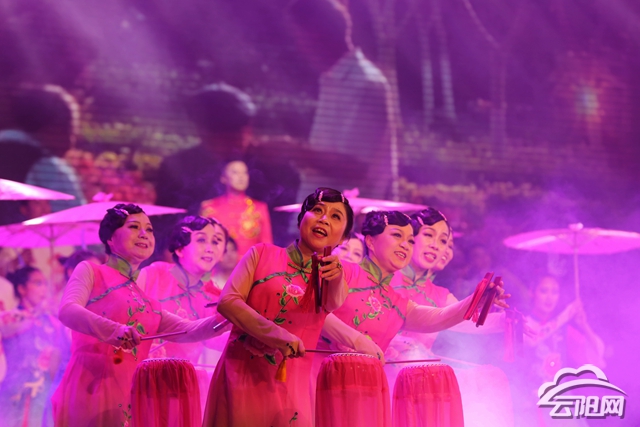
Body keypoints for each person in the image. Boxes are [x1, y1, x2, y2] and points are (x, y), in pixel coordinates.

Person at [51, 203, 229, 427]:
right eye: (134, 227)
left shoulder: (147, 302)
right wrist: (115, 331)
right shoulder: (91, 271)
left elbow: (190, 330)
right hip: (91, 388)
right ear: (110, 238)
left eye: (149, 229)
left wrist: (230, 316)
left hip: (132, 395)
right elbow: (68, 310)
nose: (144, 233)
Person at [202, 187, 354, 427]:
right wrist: (277, 335)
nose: (324, 219)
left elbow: (333, 303)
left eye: (336, 216)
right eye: (317, 210)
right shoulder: (261, 254)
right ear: (301, 219)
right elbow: (228, 301)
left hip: (291, 386)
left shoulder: (331, 277)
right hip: (241, 376)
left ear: (344, 238)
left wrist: (335, 277)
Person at [318, 210, 509, 360]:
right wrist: (357, 340)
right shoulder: (343, 271)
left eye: (409, 240)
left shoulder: (396, 301)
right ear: (370, 241)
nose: (405, 245)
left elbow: (441, 317)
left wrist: (479, 300)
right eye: (397, 235)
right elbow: (313, 310)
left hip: (375, 384)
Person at [511, 275, 605, 427]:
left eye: (555, 292)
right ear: (532, 292)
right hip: (530, 404)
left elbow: (597, 354)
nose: (550, 297)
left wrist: (584, 325)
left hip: (560, 403)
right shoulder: (521, 322)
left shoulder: (562, 330)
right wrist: (566, 314)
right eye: (544, 291)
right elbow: (532, 339)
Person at [139, 215, 229, 363]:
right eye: (201, 240)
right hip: (140, 368)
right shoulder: (154, 274)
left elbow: (217, 340)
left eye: (215, 242)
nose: (210, 249)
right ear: (180, 249)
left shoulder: (212, 297)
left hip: (180, 373)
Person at [0, 266, 69, 427]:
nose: (44, 288)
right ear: (22, 289)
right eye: (38, 283)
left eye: (45, 283)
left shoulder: (50, 320)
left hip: (45, 394)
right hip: (15, 393)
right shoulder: (10, 317)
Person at [200, 160, 273, 257]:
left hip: (250, 265)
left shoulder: (259, 208)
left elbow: (267, 246)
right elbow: (202, 244)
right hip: (217, 264)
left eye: (244, 172)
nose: (241, 176)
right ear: (223, 178)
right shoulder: (209, 208)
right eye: (235, 172)